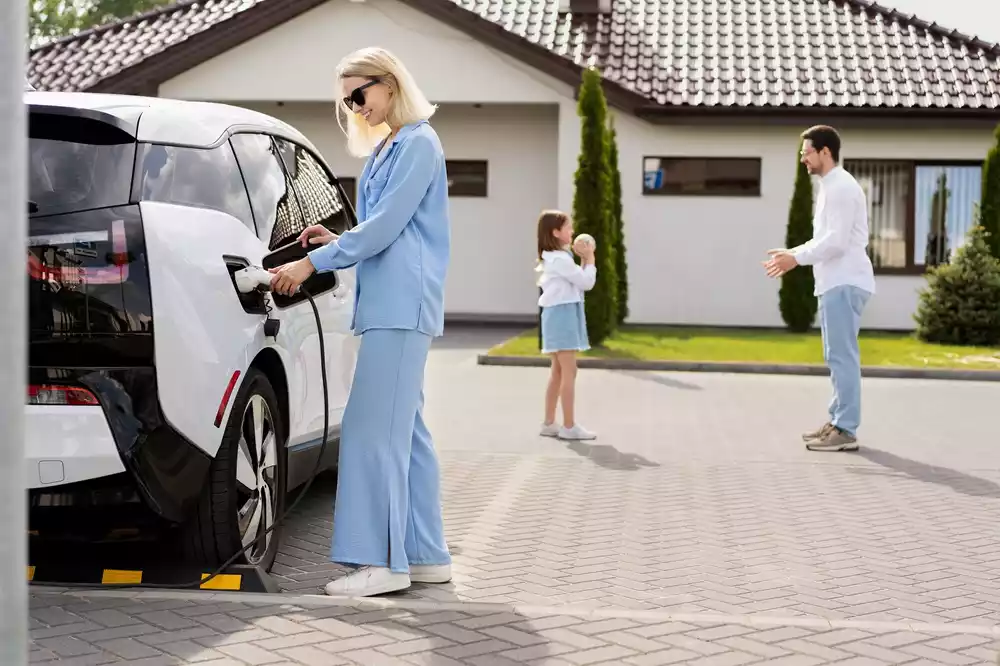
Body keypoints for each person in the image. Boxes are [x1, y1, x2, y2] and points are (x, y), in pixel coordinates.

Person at [268, 46, 452, 597]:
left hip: (402, 307)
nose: (353, 105)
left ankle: (380, 562)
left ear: (389, 84)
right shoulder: (390, 149)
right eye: (345, 99)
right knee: (407, 434)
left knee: (373, 432)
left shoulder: (419, 142)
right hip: (387, 305)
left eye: (359, 93)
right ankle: (424, 555)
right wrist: (332, 240)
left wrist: (310, 263)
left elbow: (384, 230)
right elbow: (377, 229)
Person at [763, 125, 876, 452]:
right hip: (835, 282)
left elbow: (837, 242)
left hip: (845, 281)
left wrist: (795, 259)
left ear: (825, 152)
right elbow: (823, 239)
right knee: (836, 355)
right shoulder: (831, 186)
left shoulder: (841, 187)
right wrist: (792, 254)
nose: (803, 158)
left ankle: (846, 429)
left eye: (807, 152)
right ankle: (837, 422)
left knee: (843, 357)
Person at [535, 210, 598, 441]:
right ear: (555, 232)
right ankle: (569, 426)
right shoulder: (560, 259)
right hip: (563, 316)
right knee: (569, 371)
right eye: (568, 227)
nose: (572, 232)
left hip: (557, 314)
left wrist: (582, 260)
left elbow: (577, 281)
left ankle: (549, 423)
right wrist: (590, 258)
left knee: (559, 372)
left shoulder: (556, 258)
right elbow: (586, 282)